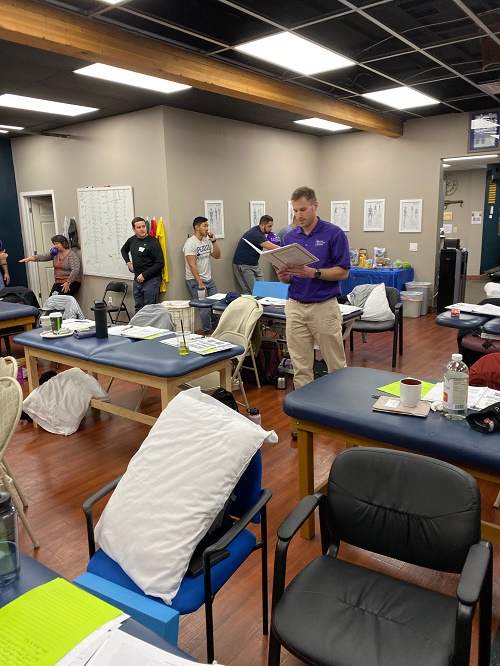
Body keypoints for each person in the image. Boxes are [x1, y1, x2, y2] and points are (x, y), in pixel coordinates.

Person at [275, 186, 350, 393]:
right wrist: (283, 276)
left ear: (315, 206)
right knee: (300, 368)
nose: (298, 215)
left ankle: (339, 407)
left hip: (323, 307)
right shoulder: (289, 238)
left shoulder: (334, 234)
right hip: (295, 307)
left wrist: (313, 273)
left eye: (303, 210)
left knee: (336, 365)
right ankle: (303, 411)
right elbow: (288, 278)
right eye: (295, 210)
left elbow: (343, 272)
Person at [183, 216, 221, 334]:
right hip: (195, 281)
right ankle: (206, 333)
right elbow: (192, 265)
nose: (207, 228)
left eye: (207, 226)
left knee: (216, 305)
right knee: (204, 308)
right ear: (197, 227)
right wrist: (200, 283)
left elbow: (217, 256)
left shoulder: (206, 241)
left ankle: (216, 330)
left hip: (209, 279)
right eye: (205, 226)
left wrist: (214, 241)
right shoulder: (190, 244)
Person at [121, 216, 164, 312]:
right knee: (138, 308)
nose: (142, 229)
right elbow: (123, 250)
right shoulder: (132, 240)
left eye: (143, 226)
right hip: (137, 280)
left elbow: (160, 263)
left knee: (150, 309)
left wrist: (144, 275)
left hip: (151, 280)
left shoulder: (153, 242)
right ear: (134, 229)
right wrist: (128, 262)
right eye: (139, 227)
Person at [232, 214, 280, 294]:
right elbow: (271, 247)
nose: (271, 229)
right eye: (269, 226)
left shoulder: (260, 233)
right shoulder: (255, 234)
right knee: (252, 292)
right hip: (243, 265)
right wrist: (287, 250)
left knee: (262, 290)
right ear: (262, 225)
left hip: (254, 265)